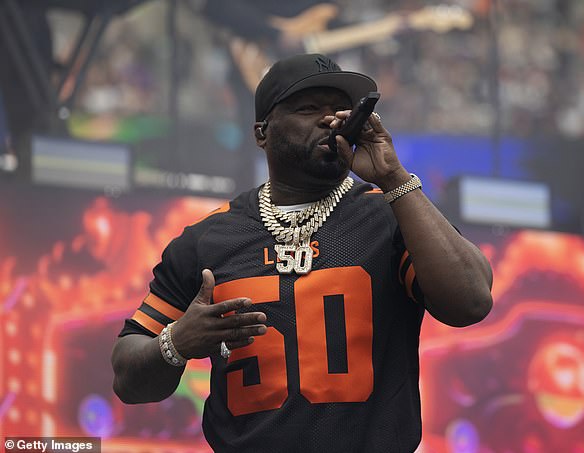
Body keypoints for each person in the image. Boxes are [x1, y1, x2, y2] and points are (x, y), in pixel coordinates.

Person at [111, 53, 493, 452]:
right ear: (262, 133)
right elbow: (127, 377)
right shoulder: (207, 239)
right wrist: (177, 341)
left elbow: (471, 303)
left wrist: (394, 177)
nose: (331, 121)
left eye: (341, 111)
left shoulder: (393, 216)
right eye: (309, 109)